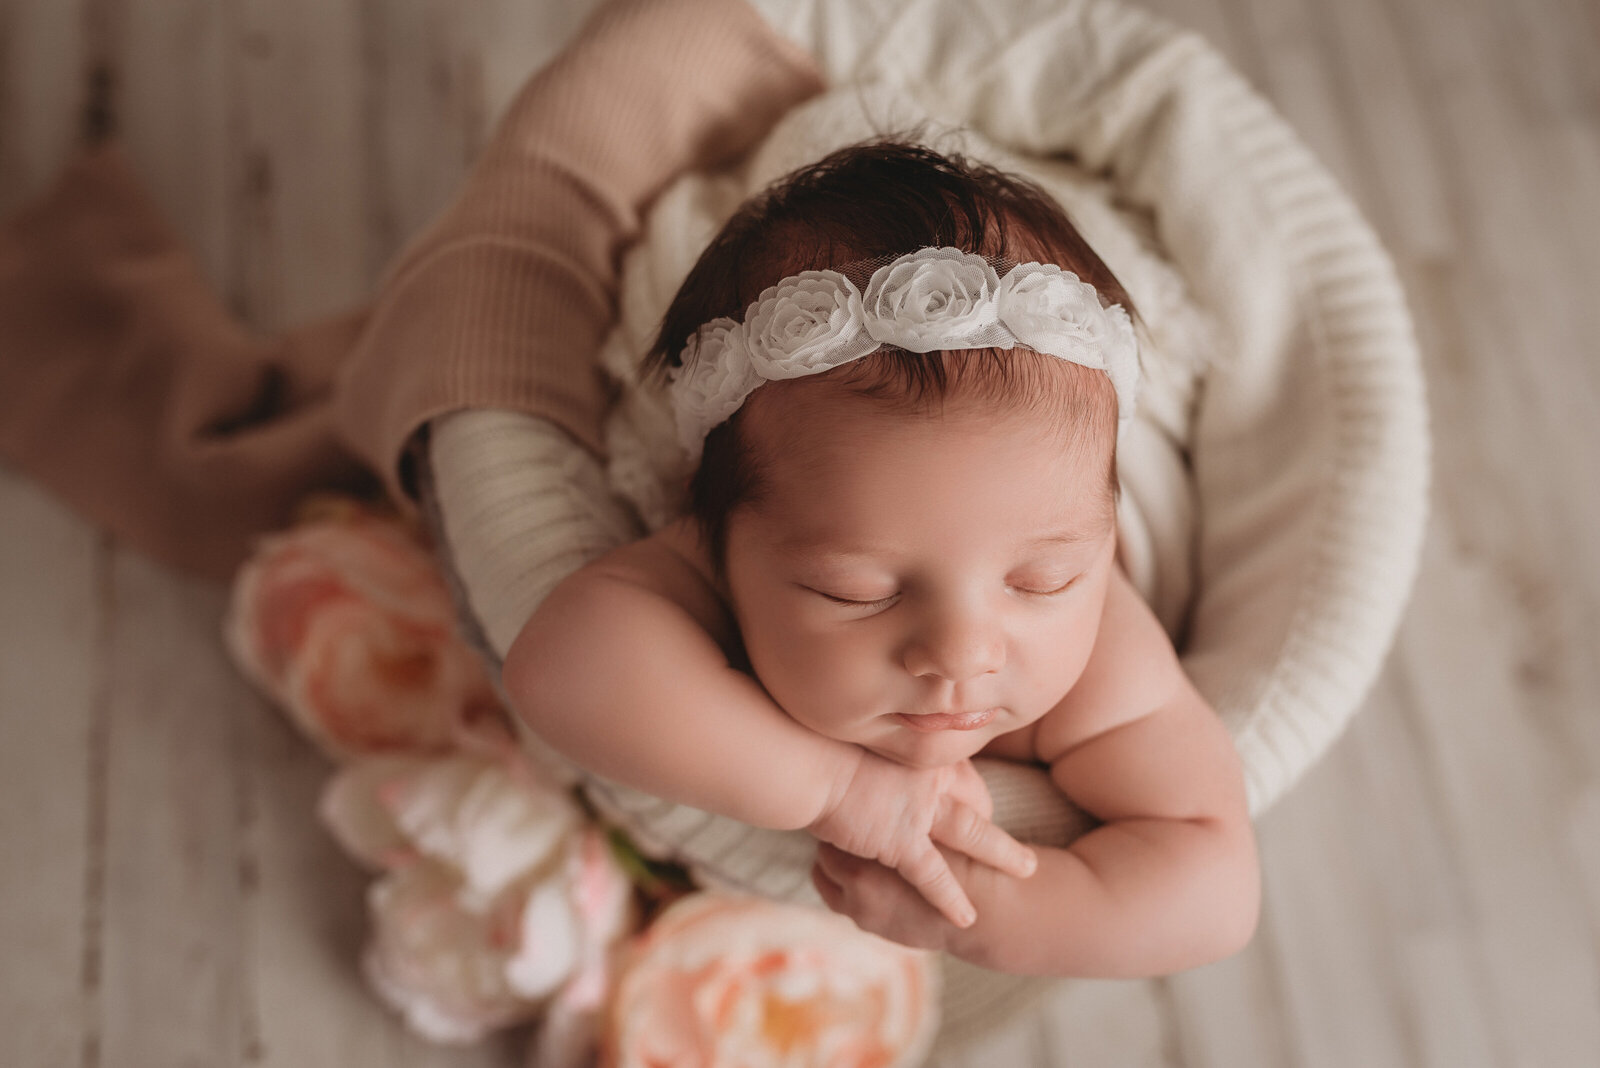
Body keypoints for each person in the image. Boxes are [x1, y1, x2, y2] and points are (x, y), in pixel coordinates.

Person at [502, 138, 1260, 978]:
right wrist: (839, 790)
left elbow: (1214, 886)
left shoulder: (1103, 664)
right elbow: (560, 668)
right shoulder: (731, 540)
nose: (963, 652)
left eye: (1041, 582)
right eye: (856, 591)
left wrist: (986, 913)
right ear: (717, 530)